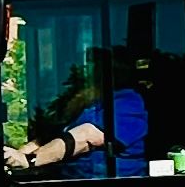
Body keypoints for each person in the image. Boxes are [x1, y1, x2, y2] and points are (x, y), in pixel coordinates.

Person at [8, 63, 149, 178]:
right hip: (69, 181)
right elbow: (51, 138)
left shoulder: (129, 102)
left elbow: (87, 136)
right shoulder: (91, 102)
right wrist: (18, 156)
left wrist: (30, 161)